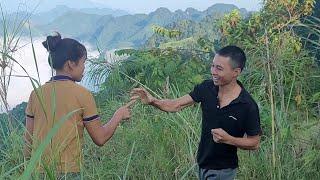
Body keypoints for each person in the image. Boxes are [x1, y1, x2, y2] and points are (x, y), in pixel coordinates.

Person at [131, 45, 261, 180]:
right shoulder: (206, 88)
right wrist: (153, 101)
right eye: (213, 66)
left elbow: (254, 142)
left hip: (223, 171)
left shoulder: (247, 105)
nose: (213, 72)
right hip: (201, 166)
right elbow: (175, 105)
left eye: (219, 68)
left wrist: (229, 139)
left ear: (236, 72)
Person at [24, 32, 135, 178]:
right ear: (70, 64)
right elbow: (100, 138)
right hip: (69, 172)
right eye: (83, 63)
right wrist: (118, 115)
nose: (84, 68)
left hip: (38, 171)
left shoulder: (35, 94)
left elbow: (28, 144)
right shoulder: (83, 94)